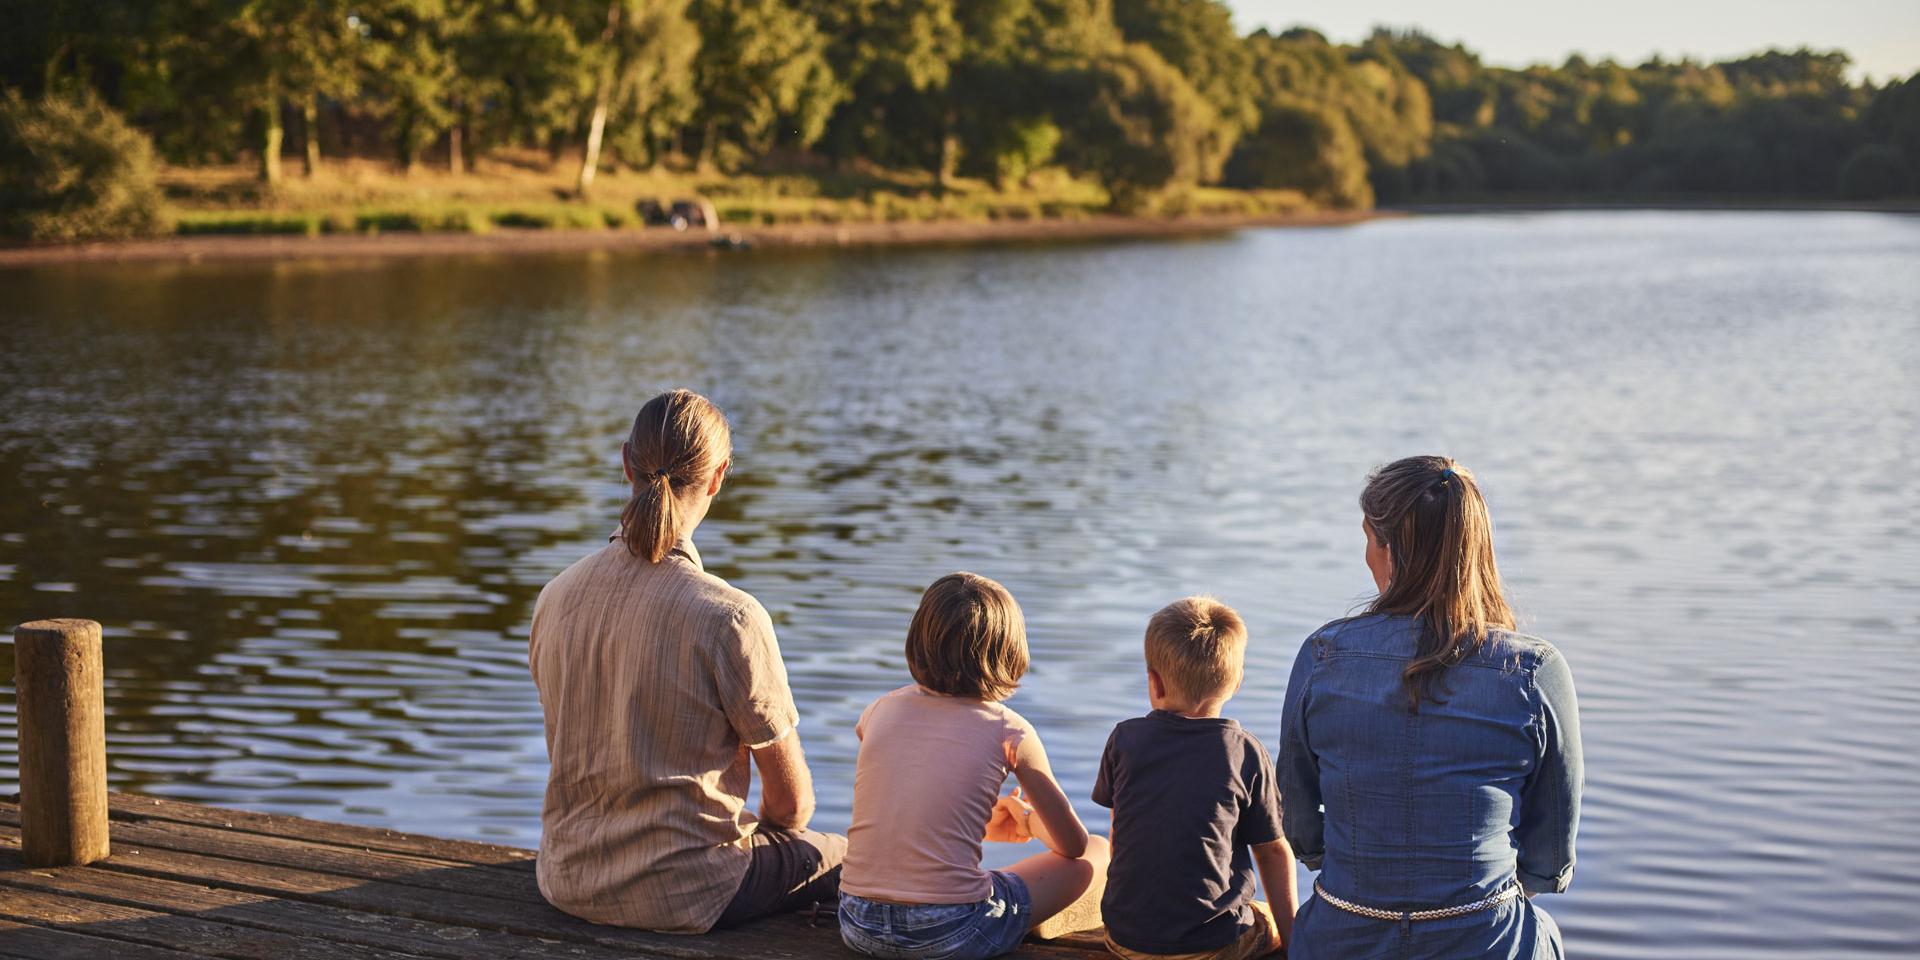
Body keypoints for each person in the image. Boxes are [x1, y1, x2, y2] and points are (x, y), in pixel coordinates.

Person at [528, 389, 844, 933]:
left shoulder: (555, 596)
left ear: (626, 462)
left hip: (564, 878)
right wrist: (763, 836)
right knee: (847, 850)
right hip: (685, 895)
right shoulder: (731, 619)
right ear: (718, 477)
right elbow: (791, 807)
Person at [1276, 456, 1583, 960]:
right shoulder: (1534, 671)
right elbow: (1549, 857)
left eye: (1368, 540)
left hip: (1342, 934)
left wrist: (1361, 882)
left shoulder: (1323, 657)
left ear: (1388, 550)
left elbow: (1302, 826)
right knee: (1541, 929)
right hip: (1486, 940)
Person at [838, 572, 1110, 960]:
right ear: (1009, 653)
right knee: (1096, 853)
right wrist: (1028, 820)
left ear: (918, 641)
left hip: (857, 922)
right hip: (950, 932)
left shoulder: (878, 712)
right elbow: (1073, 844)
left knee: (982, 881)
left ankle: (1020, 911)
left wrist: (981, 824)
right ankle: (1033, 917)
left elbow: (902, 803)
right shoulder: (1009, 729)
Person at [1094, 596, 1299, 960]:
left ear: (1154, 682)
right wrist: (1294, 943)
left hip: (1124, 939)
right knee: (1266, 915)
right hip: (1212, 947)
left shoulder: (1124, 740)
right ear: (1236, 682)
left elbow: (1118, 834)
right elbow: (1271, 851)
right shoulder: (1244, 751)